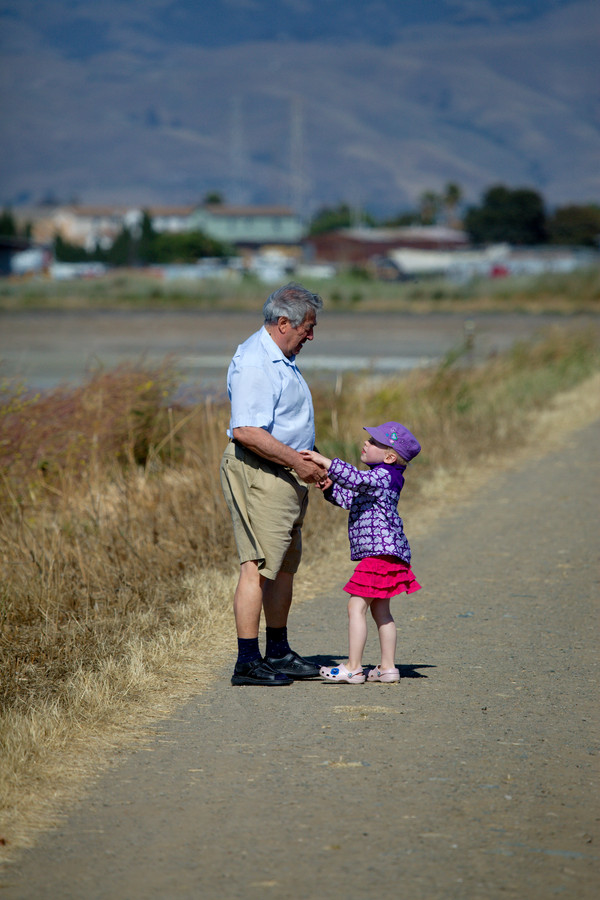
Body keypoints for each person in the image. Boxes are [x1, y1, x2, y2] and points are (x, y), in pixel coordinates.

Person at [220, 282, 328, 686]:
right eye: (308, 328)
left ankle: (278, 652)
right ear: (284, 323)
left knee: (282, 566)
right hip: (261, 473)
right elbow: (246, 430)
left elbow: (286, 423)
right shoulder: (255, 361)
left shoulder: (280, 356)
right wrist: (299, 465)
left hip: (285, 472)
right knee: (259, 566)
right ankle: (247, 662)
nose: (311, 336)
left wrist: (313, 459)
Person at [301, 421, 422, 684]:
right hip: (390, 552)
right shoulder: (382, 480)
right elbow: (350, 498)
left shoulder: (384, 476)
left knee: (355, 607)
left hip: (378, 554)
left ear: (390, 456)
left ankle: (354, 667)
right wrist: (330, 486)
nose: (366, 443)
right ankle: (387, 668)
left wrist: (327, 461)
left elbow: (357, 479)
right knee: (381, 611)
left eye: (375, 442)